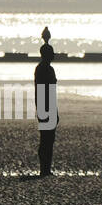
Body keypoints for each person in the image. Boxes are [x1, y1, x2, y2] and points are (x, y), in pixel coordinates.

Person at [34, 39, 58, 177]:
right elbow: (42, 90)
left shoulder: (49, 69)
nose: (54, 55)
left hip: (49, 106)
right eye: (51, 53)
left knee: (50, 139)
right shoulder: (42, 69)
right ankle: (44, 169)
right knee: (45, 140)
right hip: (44, 106)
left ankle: (47, 168)